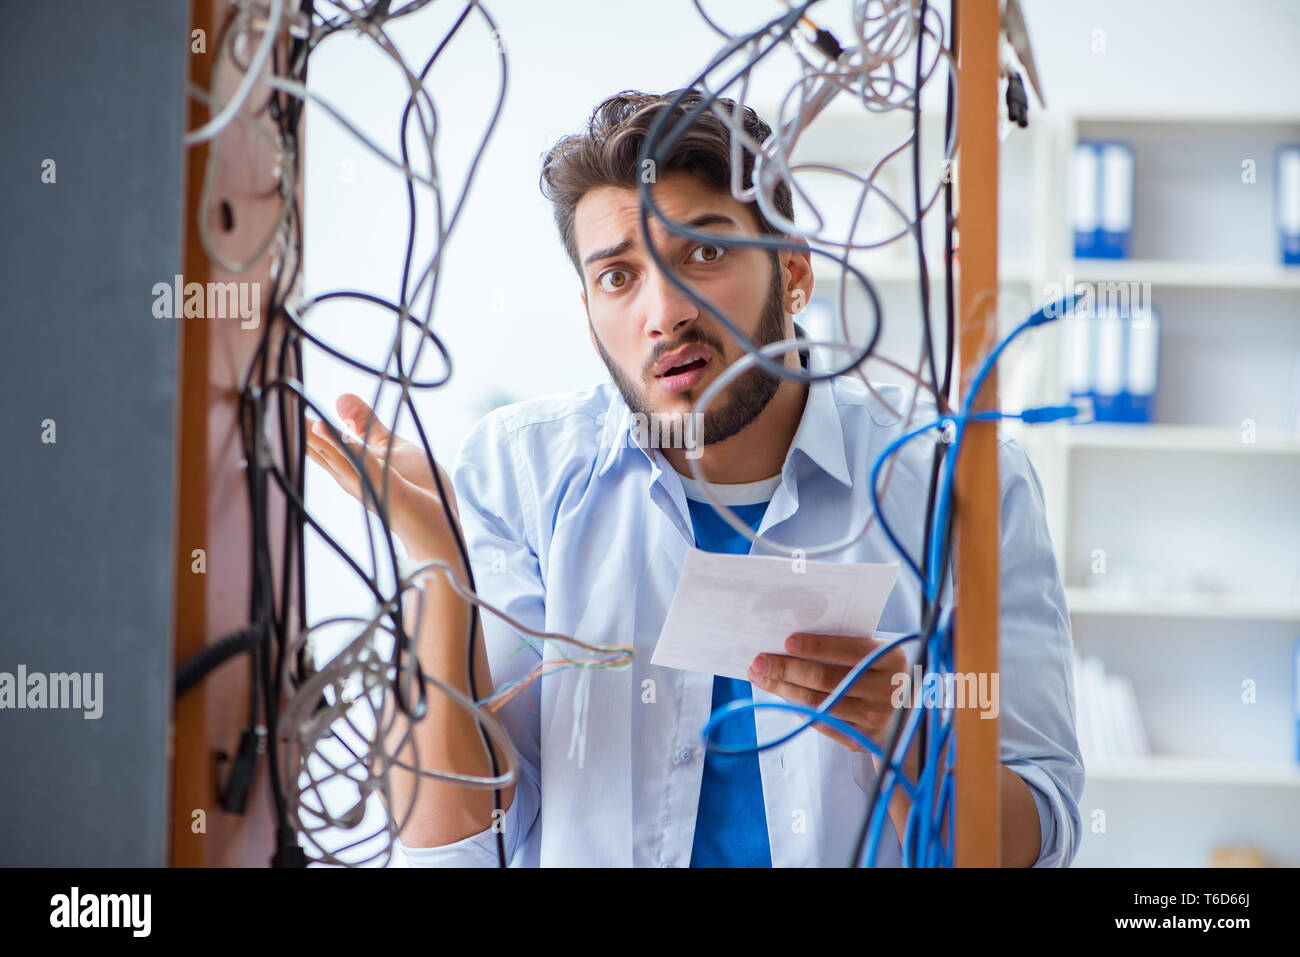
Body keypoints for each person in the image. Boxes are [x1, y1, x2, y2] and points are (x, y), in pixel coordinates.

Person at [305, 89, 1084, 868]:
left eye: (704, 253)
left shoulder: (961, 482)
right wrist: (441, 568)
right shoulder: (516, 475)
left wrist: (904, 734)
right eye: (619, 277)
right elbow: (455, 848)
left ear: (795, 272)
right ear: (588, 312)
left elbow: (1037, 839)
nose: (664, 312)